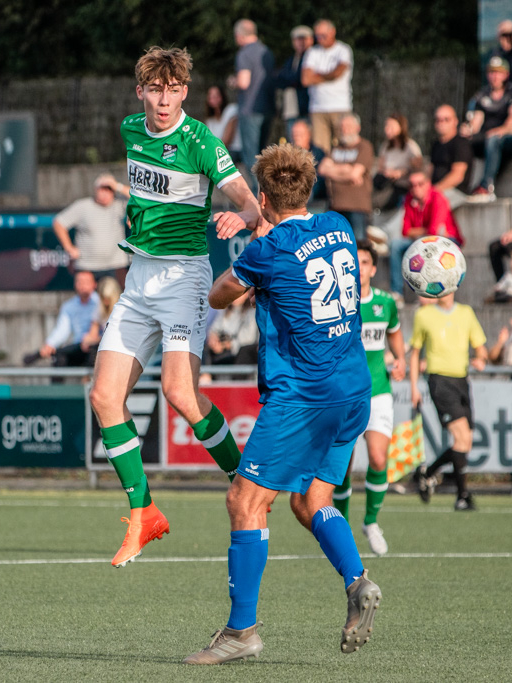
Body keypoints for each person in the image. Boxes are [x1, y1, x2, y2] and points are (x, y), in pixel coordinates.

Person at [183, 142, 381, 665]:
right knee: (310, 500)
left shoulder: (267, 250)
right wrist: (263, 229)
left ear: (264, 197)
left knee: (245, 502)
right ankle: (357, 581)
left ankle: (241, 632)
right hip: (353, 390)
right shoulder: (340, 225)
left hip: (304, 398)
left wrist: (255, 237)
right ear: (310, 189)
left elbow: (220, 295)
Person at [87, 46, 263, 569]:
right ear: (140, 91)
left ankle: (245, 482)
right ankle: (144, 512)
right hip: (139, 277)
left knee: (180, 393)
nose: (164, 101)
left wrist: (244, 216)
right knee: (103, 396)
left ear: (185, 92)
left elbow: (247, 199)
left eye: (173, 90)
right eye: (155, 90)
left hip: (185, 278)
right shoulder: (131, 129)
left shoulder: (200, 140)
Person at [327, 239, 405, 557]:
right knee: (343, 467)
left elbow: (395, 334)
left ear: (373, 268)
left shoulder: (385, 303)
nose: (359, 268)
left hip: (378, 391)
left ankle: (371, 521)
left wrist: (400, 359)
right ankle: (341, 527)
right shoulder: (334, 303)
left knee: (378, 459)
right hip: (344, 395)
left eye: (365, 262)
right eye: (353, 262)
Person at [411, 290, 488, 511]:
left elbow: (481, 348)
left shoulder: (466, 313)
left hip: (462, 380)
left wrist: (480, 359)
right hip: (440, 381)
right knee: (461, 436)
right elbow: (415, 353)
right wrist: (413, 386)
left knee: (465, 441)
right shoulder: (424, 315)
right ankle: (462, 496)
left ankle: (427, 473)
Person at [389, 170, 463, 295]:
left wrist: (418, 231)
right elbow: (405, 231)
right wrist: (425, 230)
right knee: (395, 245)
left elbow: (433, 231)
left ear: (428, 183)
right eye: (412, 185)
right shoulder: (409, 199)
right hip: (423, 240)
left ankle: (433, 293)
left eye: (420, 184)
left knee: (429, 252)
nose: (416, 188)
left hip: (447, 240)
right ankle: (397, 292)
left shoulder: (437, 197)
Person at [52, 174, 131, 285]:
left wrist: (117, 186)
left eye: (109, 189)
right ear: (95, 189)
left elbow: (138, 198)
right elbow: (59, 222)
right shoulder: (82, 206)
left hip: (116, 265)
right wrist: (69, 248)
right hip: (87, 266)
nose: (105, 193)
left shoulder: (119, 205)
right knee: (86, 294)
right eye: (102, 189)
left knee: (116, 294)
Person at [466, 56, 512, 200]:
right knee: (464, 142)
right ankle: (464, 187)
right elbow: (476, 122)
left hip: (507, 136)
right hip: (487, 137)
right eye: (492, 72)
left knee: (493, 140)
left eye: (498, 72)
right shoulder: (482, 94)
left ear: (506, 74)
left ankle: (487, 186)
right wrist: (468, 130)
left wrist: (499, 131)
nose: (495, 76)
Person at [232, 19, 275, 191]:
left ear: (239, 35)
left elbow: (243, 82)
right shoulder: (267, 52)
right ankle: (267, 191)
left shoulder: (244, 54)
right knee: (263, 155)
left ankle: (259, 194)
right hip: (268, 108)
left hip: (250, 109)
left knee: (251, 156)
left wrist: (232, 81)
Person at [27, 271, 100, 368]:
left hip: (97, 347)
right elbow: (62, 331)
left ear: (94, 284)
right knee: (59, 357)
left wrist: (92, 339)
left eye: (86, 282)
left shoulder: (101, 303)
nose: (83, 285)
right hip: (78, 347)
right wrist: (50, 345)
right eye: (79, 282)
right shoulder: (69, 306)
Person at [318, 114, 373, 239]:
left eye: (348, 126)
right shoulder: (336, 147)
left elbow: (354, 174)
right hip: (334, 206)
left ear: (357, 128)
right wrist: (346, 169)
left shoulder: (364, 146)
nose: (344, 130)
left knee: (358, 243)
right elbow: (322, 169)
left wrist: (333, 170)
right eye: (342, 127)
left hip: (356, 207)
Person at [302, 19, 353, 153]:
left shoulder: (343, 50)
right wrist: (328, 76)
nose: (320, 39)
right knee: (320, 150)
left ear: (332, 32)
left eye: (323, 35)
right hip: (317, 108)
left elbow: (337, 73)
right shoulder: (312, 52)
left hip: (340, 106)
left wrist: (317, 75)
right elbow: (306, 79)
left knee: (344, 146)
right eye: (317, 36)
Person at [373, 114, 422, 212]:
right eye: (386, 125)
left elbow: (418, 169)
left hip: (403, 187)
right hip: (386, 184)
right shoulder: (385, 146)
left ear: (401, 127)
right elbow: (380, 168)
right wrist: (387, 172)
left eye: (391, 126)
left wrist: (400, 172)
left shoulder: (410, 146)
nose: (387, 129)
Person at [430, 105, 475, 208]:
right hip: (436, 192)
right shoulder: (436, 145)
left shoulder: (461, 144)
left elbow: (457, 176)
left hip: (455, 192)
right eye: (438, 120)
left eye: (446, 119)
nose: (441, 123)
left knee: (432, 205)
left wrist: (433, 191)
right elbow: (430, 171)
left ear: (455, 121)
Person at [275, 25, 313, 139]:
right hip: (292, 108)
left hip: (308, 107)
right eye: (297, 39)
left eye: (304, 39)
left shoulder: (314, 57)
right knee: (293, 139)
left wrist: (292, 79)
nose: (301, 43)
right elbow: (280, 79)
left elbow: (300, 79)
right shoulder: (291, 60)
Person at [204, 291, 258, 366]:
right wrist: (213, 339)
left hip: (241, 355)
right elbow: (213, 329)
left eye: (239, 293)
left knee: (244, 352)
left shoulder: (252, 312)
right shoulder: (225, 311)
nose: (235, 296)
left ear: (247, 294)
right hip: (223, 352)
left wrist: (226, 345)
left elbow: (248, 339)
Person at [290, 119, 326, 204]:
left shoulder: (318, 153)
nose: (296, 137)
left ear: (309, 135)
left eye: (300, 134)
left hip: (315, 198)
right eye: (294, 134)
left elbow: (320, 178)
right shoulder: (287, 155)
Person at [203, 85, 240, 161]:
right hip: (218, 151)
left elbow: (227, 140)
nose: (213, 98)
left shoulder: (231, 110)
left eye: (216, 95)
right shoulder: (210, 121)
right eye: (210, 95)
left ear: (222, 96)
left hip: (234, 150)